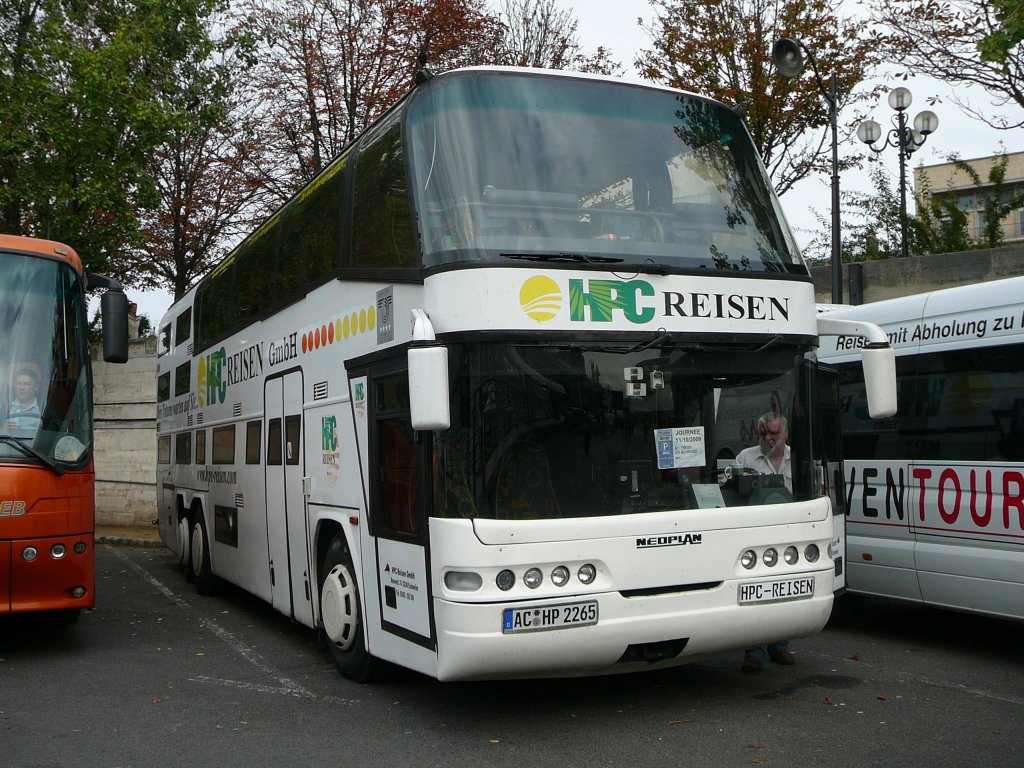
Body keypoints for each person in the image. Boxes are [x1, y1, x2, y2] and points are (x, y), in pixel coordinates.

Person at [737, 410, 795, 673]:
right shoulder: (745, 458)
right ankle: (755, 651)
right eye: (764, 433)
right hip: (757, 537)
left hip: (790, 535)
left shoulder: (799, 458)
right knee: (758, 593)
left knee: (786, 591)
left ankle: (780, 645)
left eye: (774, 433)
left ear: (785, 433)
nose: (769, 438)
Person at [6, 365, 42, 433]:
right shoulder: (4, 408)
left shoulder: (45, 410)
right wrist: (3, 428)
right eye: (18, 383)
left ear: (36, 387)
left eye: (27, 384)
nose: (21, 388)